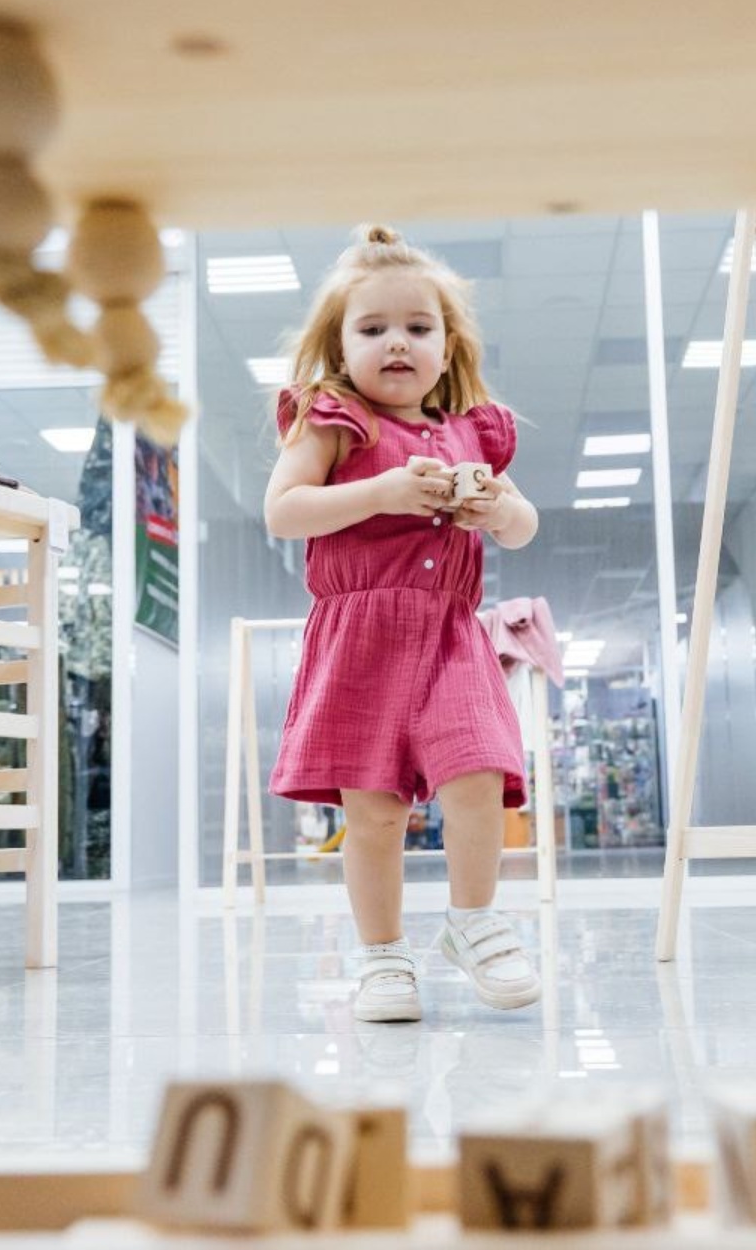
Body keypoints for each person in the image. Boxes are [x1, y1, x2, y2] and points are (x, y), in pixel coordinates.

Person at [264, 225, 542, 1023]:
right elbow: (284, 511)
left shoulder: (474, 432)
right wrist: (380, 493)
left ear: (448, 346)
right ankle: (383, 956)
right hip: (360, 640)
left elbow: (523, 526)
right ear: (339, 344)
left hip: (453, 633)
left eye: (418, 328)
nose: (397, 343)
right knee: (374, 811)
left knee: (479, 771)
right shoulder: (332, 420)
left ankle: (474, 919)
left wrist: (497, 507)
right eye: (373, 328)